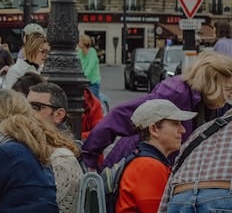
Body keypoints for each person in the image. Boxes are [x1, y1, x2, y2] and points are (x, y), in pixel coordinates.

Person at [81, 51, 232, 170]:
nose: (229, 96)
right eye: (228, 90)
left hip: (164, 167)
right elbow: (121, 117)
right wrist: (90, 158)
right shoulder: (175, 93)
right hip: (142, 164)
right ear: (213, 83)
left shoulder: (215, 103)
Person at [27, 83, 83, 213]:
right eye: (25, 106)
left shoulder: (60, 161)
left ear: (58, 115)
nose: (26, 114)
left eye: (35, 107)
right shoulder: (35, 149)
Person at [78, 34, 103, 99]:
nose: (78, 43)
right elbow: (77, 65)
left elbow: (90, 67)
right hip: (83, 82)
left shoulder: (92, 52)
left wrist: (83, 76)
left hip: (93, 82)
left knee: (92, 102)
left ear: (84, 42)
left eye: (79, 41)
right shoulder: (79, 53)